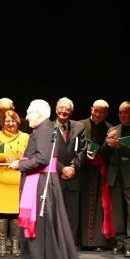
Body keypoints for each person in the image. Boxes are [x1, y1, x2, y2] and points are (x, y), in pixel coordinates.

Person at [10, 99, 80, 259]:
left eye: (29, 113)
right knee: (45, 226)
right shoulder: (47, 128)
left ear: (38, 113)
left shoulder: (43, 130)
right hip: (43, 181)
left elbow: (42, 159)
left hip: (40, 183)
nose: (26, 117)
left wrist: (20, 164)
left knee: (39, 226)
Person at [0, 97, 30, 249]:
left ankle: (15, 244)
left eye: (13, 121)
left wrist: (19, 157)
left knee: (16, 213)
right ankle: (2, 244)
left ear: (18, 122)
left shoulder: (25, 137)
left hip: (18, 181)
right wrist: (5, 156)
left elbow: (29, 154)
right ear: (3, 122)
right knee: (0, 213)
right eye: (7, 121)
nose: (10, 124)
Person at [104, 101, 130, 257]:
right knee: (118, 213)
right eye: (120, 112)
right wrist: (108, 143)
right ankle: (120, 241)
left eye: (126, 112)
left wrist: (118, 145)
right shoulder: (113, 129)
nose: (122, 115)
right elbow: (103, 153)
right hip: (115, 177)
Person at [79, 99, 115, 251]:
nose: (98, 114)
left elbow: (111, 153)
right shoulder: (80, 125)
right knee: (81, 205)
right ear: (91, 110)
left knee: (100, 205)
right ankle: (80, 240)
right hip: (83, 171)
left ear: (106, 113)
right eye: (96, 110)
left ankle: (98, 242)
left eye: (102, 112)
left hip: (100, 171)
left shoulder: (110, 129)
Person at [53, 97, 86, 247]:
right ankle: (55, 244)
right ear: (56, 109)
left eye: (67, 109)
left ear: (71, 112)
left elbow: (82, 150)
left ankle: (70, 245)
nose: (64, 111)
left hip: (73, 176)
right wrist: (62, 168)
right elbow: (47, 153)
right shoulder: (48, 128)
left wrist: (72, 167)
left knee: (72, 215)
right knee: (55, 214)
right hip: (55, 176)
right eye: (61, 108)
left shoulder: (79, 127)